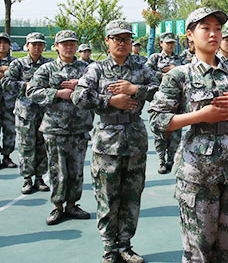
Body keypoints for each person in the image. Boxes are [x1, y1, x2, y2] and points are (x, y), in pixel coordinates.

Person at [148, 7, 228, 262]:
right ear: (190, 36)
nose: (213, 34)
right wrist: (200, 116)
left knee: (227, 246)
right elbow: (157, 120)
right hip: (197, 174)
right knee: (198, 249)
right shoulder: (179, 76)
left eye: (217, 29)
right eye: (205, 28)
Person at [72, 20, 159, 263]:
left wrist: (134, 90)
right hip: (107, 141)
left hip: (134, 138)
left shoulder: (141, 69)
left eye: (126, 39)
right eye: (117, 38)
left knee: (132, 196)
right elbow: (79, 96)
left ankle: (125, 245)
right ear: (107, 41)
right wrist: (109, 101)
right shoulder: (97, 69)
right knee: (107, 196)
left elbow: (160, 90)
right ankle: (109, 248)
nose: (122, 43)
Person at [26, 30, 93, 225]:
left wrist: (80, 85)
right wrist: (58, 93)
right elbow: (32, 91)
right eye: (64, 44)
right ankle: (57, 206)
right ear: (56, 46)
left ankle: (72, 204)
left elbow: (99, 87)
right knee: (57, 170)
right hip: (55, 128)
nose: (69, 47)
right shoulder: (47, 69)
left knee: (76, 169)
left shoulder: (87, 69)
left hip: (79, 127)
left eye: (72, 43)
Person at [2, 32, 53, 194]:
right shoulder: (18, 64)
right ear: (27, 45)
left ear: (44, 46)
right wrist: (25, 85)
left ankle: (39, 177)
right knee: (25, 145)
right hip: (25, 112)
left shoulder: (50, 64)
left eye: (40, 44)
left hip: (44, 111)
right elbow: (6, 82)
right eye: (34, 44)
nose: (37, 47)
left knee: (42, 145)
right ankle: (27, 179)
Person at [146, 31, 183, 174]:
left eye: (172, 43)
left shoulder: (179, 59)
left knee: (175, 133)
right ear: (161, 43)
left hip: (175, 102)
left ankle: (171, 160)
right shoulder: (155, 58)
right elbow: (146, 71)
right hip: (159, 102)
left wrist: (174, 70)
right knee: (159, 133)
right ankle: (161, 160)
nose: (170, 45)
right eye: (168, 43)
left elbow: (186, 73)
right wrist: (162, 74)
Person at [0, 32, 17, 168]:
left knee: (10, 130)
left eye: (5, 43)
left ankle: (7, 156)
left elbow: (17, 74)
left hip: (9, 102)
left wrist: (6, 71)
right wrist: (5, 70)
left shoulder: (15, 62)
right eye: (0, 42)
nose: (2, 45)